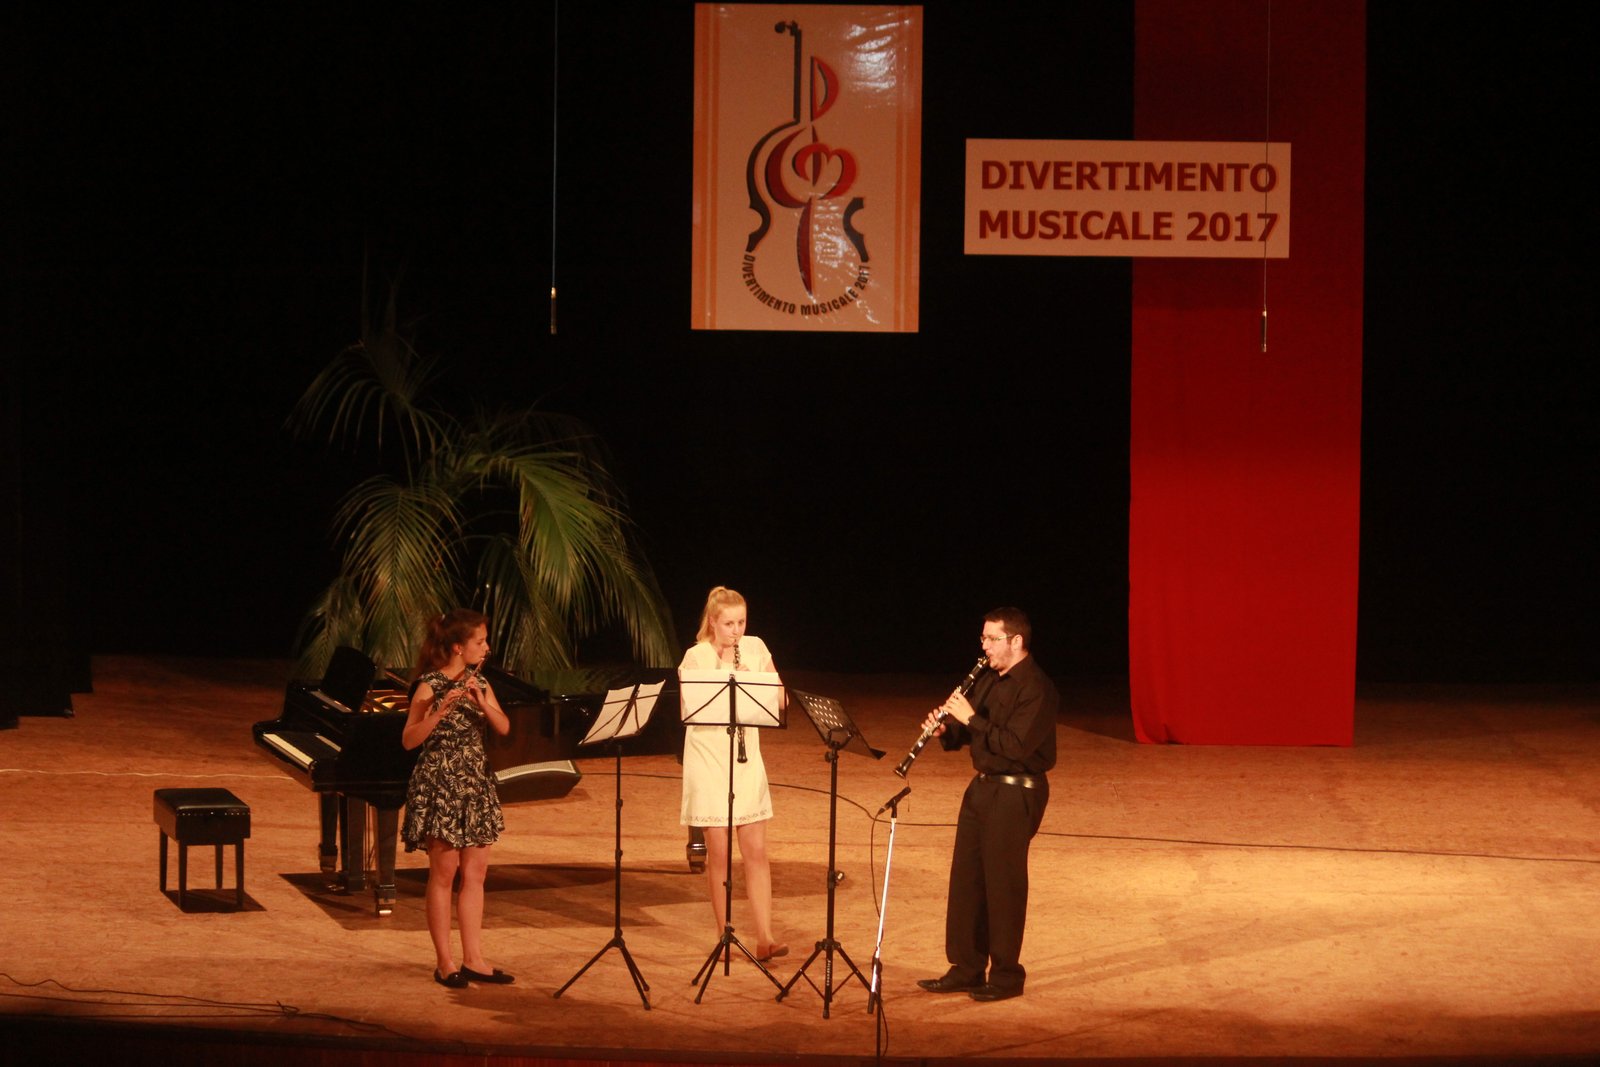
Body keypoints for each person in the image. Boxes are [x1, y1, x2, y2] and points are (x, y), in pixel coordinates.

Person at [916, 607, 1058, 1002]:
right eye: (983, 639)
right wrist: (947, 730)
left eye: (992, 639)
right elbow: (969, 734)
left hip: (1016, 791)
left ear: (1016, 641)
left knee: (1003, 885)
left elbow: (1014, 745)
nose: (985, 647)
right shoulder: (989, 680)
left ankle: (1007, 976)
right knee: (967, 880)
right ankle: (967, 967)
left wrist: (971, 718)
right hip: (983, 787)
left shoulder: (1037, 688)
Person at [401, 608, 514, 989]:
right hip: (441, 786)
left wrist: (482, 702)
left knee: (476, 875)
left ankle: (474, 959)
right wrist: (437, 713)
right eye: (480, 641)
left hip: (474, 785)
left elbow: (503, 726)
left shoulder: (480, 681)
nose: (487, 647)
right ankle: (445, 962)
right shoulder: (428, 686)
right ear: (457, 647)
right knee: (444, 876)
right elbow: (409, 740)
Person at [679, 585, 788, 962]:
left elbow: (781, 700)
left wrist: (754, 681)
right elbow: (688, 710)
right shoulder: (695, 657)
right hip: (709, 758)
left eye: (741, 622)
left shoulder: (755, 649)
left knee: (756, 850)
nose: (737, 631)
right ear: (712, 622)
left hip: (745, 759)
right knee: (720, 853)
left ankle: (765, 937)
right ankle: (723, 934)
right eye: (729, 624)